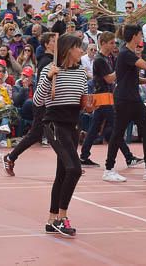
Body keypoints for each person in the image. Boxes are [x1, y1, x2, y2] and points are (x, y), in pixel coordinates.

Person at [33, 34, 87, 236]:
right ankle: (62, 217)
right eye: (78, 47)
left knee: (63, 173)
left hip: (73, 124)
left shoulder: (81, 72)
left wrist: (90, 104)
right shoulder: (50, 69)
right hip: (54, 124)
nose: (81, 51)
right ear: (68, 50)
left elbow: (82, 100)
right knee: (74, 169)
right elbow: (38, 101)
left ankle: (51, 219)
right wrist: (47, 78)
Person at [103, 24, 146, 183]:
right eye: (140, 34)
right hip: (124, 99)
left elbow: (130, 77)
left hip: (134, 98)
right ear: (135, 36)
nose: (142, 37)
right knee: (118, 133)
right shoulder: (125, 53)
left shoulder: (129, 53)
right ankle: (109, 169)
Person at [80, 32, 142, 168]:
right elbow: (109, 78)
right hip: (104, 97)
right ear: (102, 43)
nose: (114, 45)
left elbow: (114, 78)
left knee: (95, 128)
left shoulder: (108, 58)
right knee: (116, 128)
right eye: (111, 43)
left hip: (105, 97)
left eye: (114, 43)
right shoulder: (100, 60)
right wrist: (122, 68)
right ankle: (128, 157)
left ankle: (84, 155)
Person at [3, 32, 56, 176]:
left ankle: (70, 163)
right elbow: (46, 83)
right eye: (53, 41)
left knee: (55, 133)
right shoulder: (46, 61)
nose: (55, 43)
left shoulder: (52, 59)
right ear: (46, 44)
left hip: (50, 102)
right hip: (43, 102)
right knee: (36, 133)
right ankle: (11, 156)